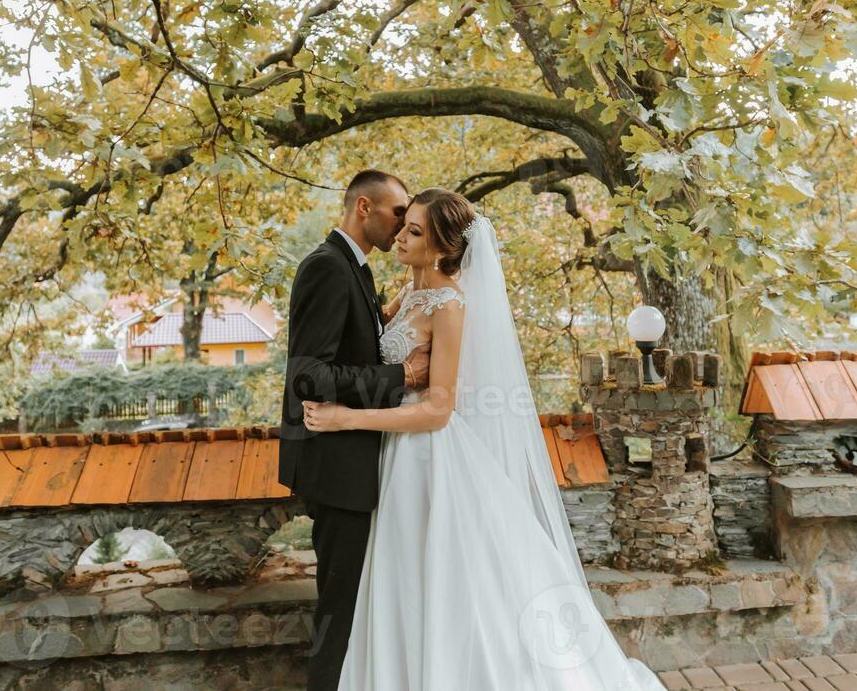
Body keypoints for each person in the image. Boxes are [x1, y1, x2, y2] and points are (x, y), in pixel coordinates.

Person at [303, 188, 666, 690]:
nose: (401, 236)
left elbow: (437, 410)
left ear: (444, 248)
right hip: (392, 455)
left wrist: (345, 419)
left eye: (415, 232)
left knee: (443, 580)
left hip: (426, 457)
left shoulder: (449, 304)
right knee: (403, 583)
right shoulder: (409, 293)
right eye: (404, 225)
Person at [279, 169, 431, 691]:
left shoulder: (356, 268)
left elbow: (350, 345)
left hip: (354, 461)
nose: (402, 223)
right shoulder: (327, 267)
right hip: (335, 464)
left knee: (357, 599)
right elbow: (308, 376)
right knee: (340, 605)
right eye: (397, 212)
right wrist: (402, 376)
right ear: (363, 208)